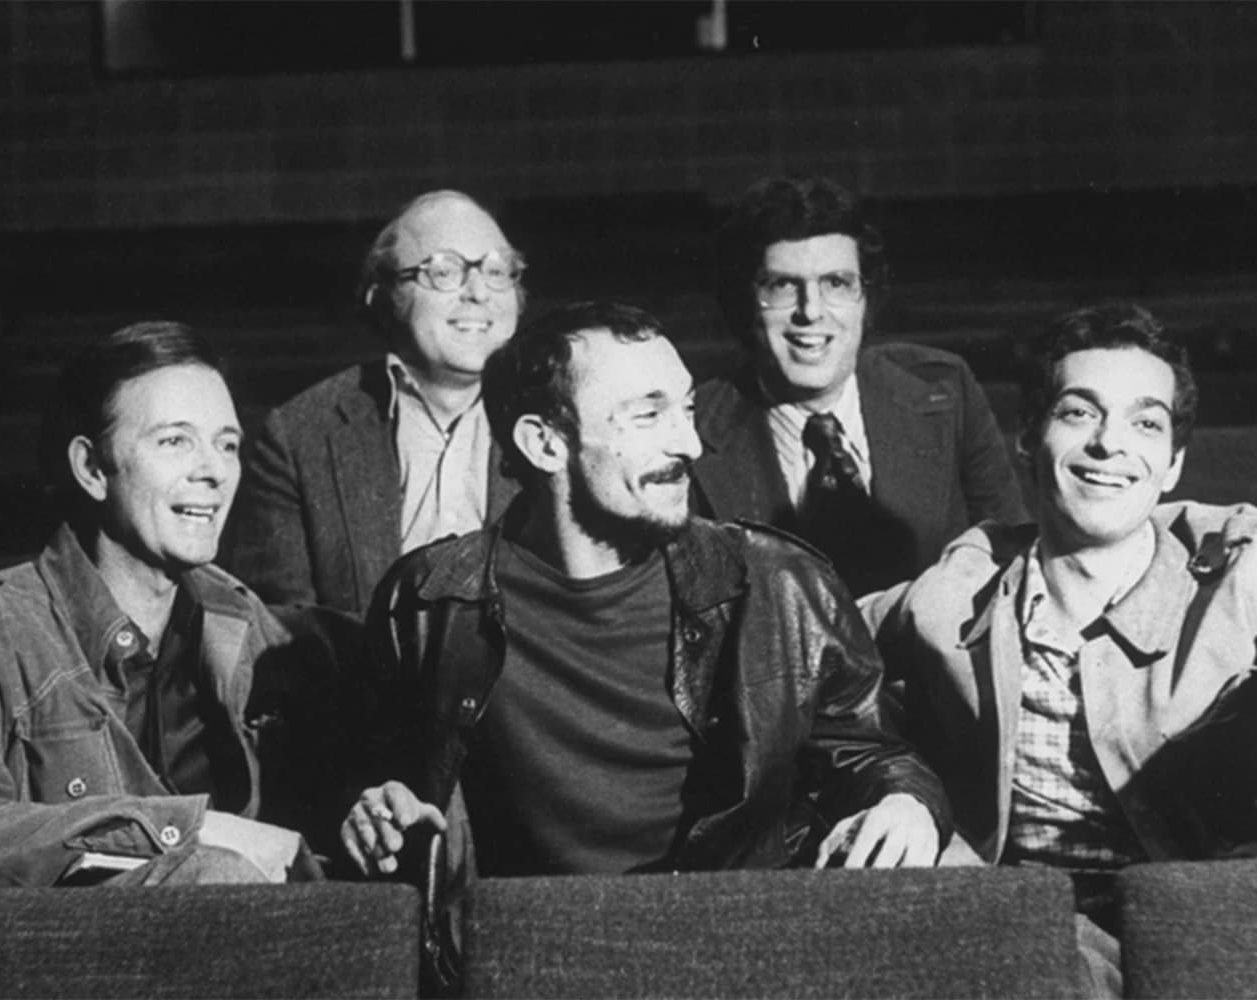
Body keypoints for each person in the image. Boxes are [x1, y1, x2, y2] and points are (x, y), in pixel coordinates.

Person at [860, 303, 1257, 997]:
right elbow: (820, 665)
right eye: (1079, 413)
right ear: (1029, 438)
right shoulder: (955, 590)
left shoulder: (1233, 554)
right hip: (1036, 928)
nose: (1110, 443)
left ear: (1173, 465)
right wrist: (901, 793)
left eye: (1145, 423)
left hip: (1215, 908)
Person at [340, 301, 947, 887]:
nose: (689, 444)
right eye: (648, 415)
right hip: (528, 937)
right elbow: (376, 779)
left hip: (739, 927)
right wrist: (377, 811)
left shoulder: (779, 583)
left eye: (686, 409)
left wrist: (906, 803)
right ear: (545, 443)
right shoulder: (431, 601)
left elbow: (873, 754)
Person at [0, 322, 339, 887]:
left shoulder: (244, 624)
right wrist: (192, 831)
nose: (213, 471)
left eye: (227, 444)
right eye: (174, 441)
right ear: (92, 469)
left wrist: (370, 811)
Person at [691, 175, 1024, 597]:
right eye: (782, 286)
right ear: (745, 302)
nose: (811, 311)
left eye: (836, 283)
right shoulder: (694, 429)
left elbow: (1013, 556)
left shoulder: (945, 390)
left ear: (866, 298)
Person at [228, 190, 524, 615]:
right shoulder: (299, 435)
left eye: (496, 270)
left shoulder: (563, 419)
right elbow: (281, 626)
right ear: (383, 294)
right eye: (444, 271)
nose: (478, 292)